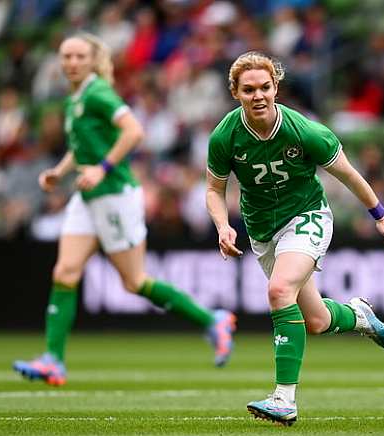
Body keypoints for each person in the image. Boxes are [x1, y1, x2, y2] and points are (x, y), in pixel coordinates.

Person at [13, 33, 236, 387]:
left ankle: (212, 320)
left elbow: (134, 132)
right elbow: (82, 146)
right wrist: (60, 171)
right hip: (87, 198)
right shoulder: (75, 99)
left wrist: (102, 168)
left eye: (78, 56)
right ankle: (53, 359)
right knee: (65, 273)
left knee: (135, 282)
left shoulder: (99, 92)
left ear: (93, 61)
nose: (70, 62)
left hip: (115, 195)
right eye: (65, 56)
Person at [206, 52, 384, 426]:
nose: (258, 96)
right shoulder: (225, 135)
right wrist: (223, 225)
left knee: (278, 290)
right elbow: (213, 190)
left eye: (265, 88)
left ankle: (284, 399)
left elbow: (348, 174)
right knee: (315, 320)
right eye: (249, 89)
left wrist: (380, 217)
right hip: (262, 230)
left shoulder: (304, 131)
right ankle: (360, 316)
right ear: (236, 93)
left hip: (307, 217)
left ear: (276, 88)